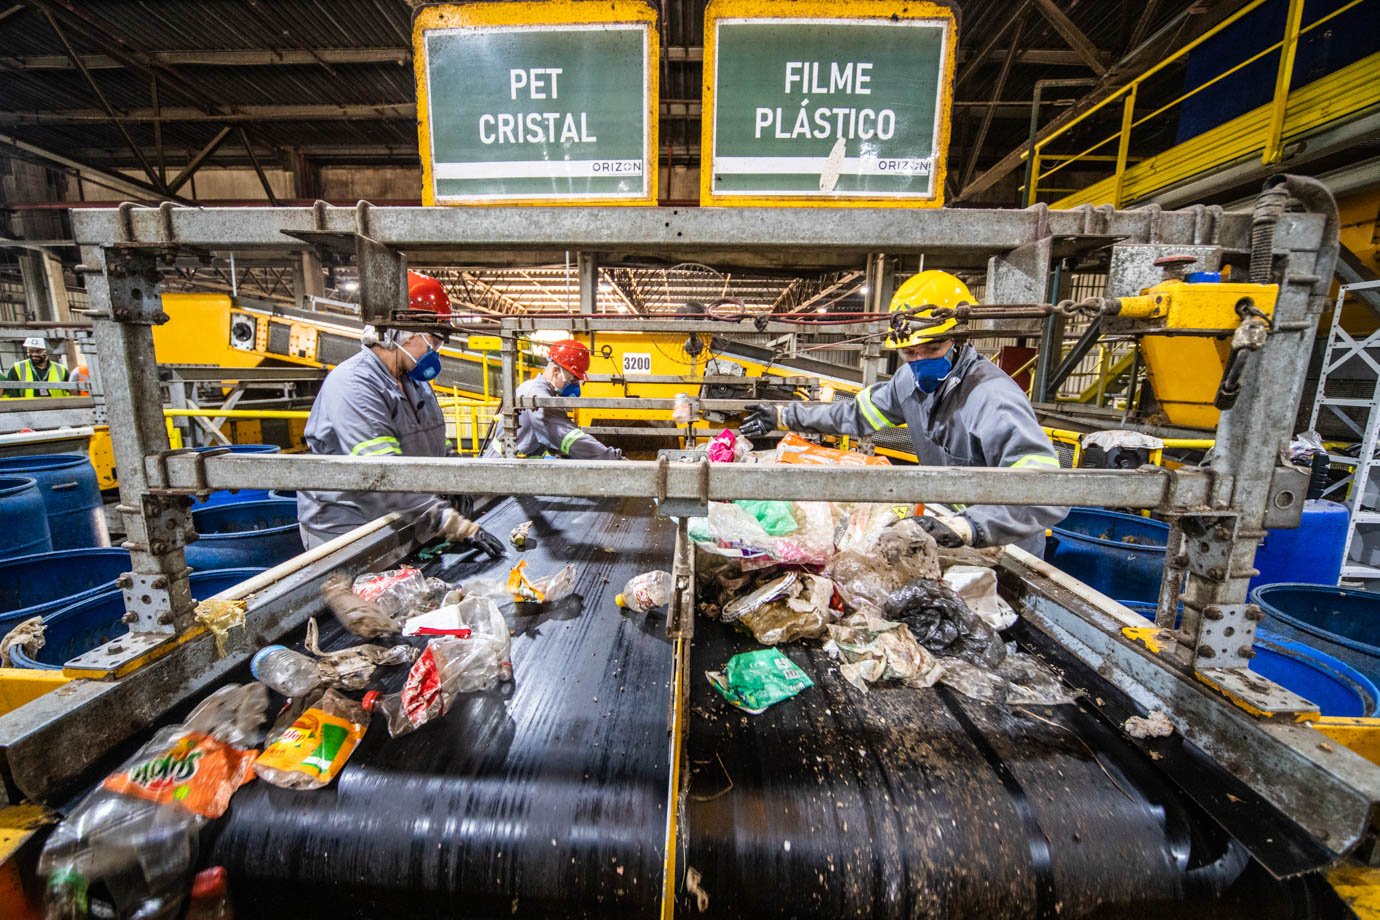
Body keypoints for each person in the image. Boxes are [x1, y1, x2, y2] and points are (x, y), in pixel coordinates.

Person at [741, 270, 1066, 554]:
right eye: (910, 352)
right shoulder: (907, 382)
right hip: (946, 526)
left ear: (959, 337)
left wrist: (969, 527)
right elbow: (854, 415)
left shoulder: (991, 398)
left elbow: (1047, 493)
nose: (920, 361)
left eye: (932, 349)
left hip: (1002, 545)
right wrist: (783, 415)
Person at [297, 271, 504, 555]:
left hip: (405, 519)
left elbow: (435, 445)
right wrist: (455, 525)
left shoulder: (415, 383)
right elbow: (383, 475)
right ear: (404, 333)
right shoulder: (354, 384)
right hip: (349, 534)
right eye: (435, 339)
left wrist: (460, 480)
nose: (438, 350)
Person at [486, 339, 624, 460]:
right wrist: (612, 458)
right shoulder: (539, 397)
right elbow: (571, 438)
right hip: (502, 470)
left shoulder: (535, 387)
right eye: (572, 379)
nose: (574, 385)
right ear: (555, 371)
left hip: (509, 464)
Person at [5, 337, 70, 398]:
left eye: (38, 351)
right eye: (30, 351)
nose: (34, 354)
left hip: (56, 408)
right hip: (28, 408)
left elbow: (71, 393)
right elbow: (11, 395)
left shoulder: (61, 370)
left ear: (48, 351)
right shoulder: (17, 369)